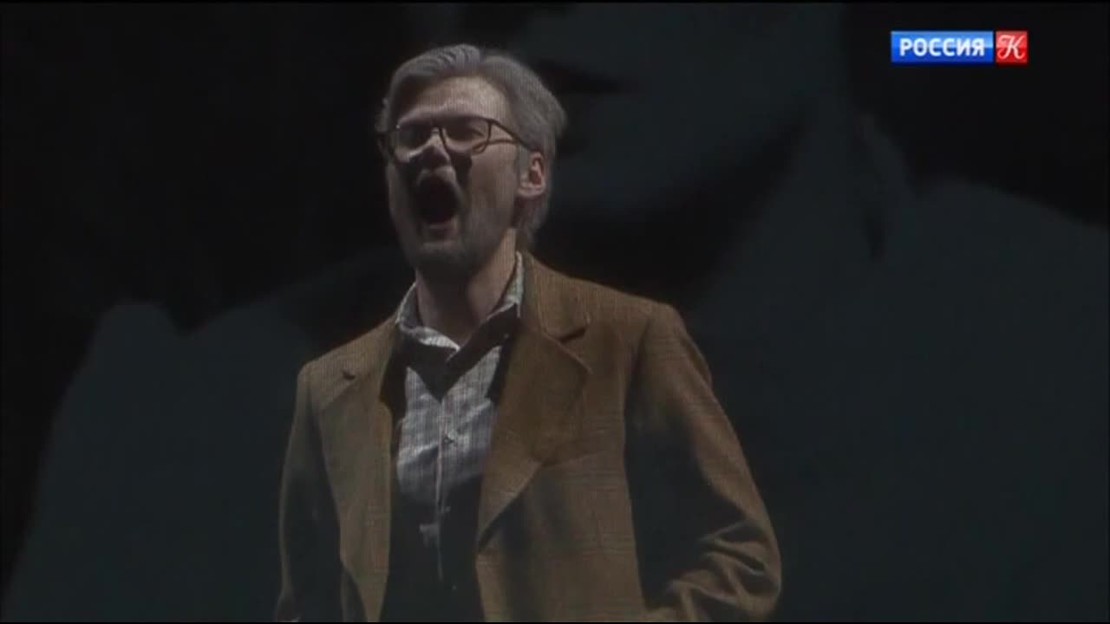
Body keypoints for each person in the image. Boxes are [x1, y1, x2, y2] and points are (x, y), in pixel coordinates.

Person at [274, 44, 782, 622]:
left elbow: (741, 553)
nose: (432, 150)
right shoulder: (329, 388)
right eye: (411, 137)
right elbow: (308, 603)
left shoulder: (627, 340)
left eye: (466, 131)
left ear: (532, 174)